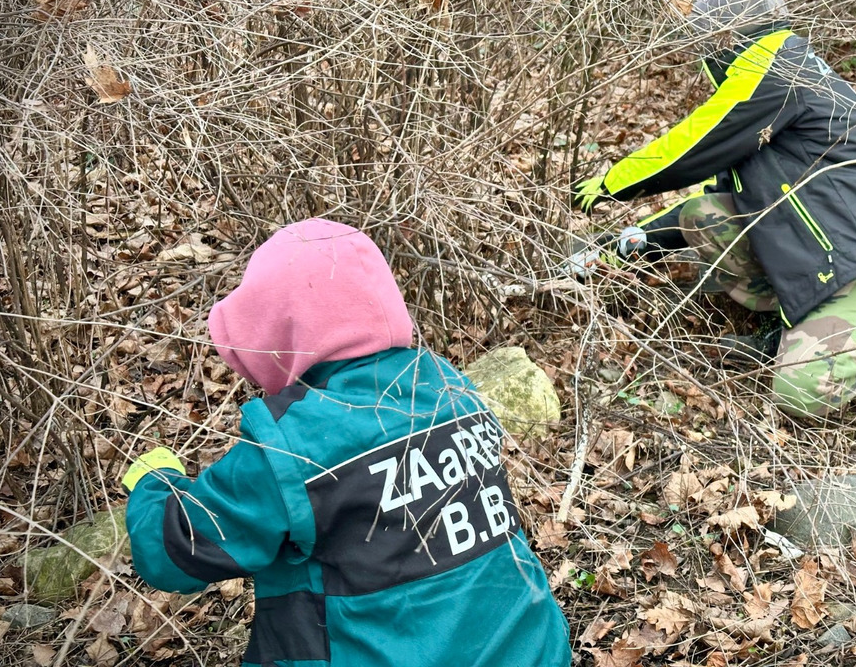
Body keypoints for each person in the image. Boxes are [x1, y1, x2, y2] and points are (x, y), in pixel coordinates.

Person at [121, 218, 571, 667]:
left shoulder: (291, 443)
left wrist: (155, 482)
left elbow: (176, 553)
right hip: (536, 651)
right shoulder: (448, 386)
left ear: (279, 330)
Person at [570, 0, 856, 420]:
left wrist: (616, 182)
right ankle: (789, 324)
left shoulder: (777, 64)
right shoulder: (772, 90)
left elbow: (696, 140)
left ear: (727, 35)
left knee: (800, 393)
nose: (700, 52)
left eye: (707, 39)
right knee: (704, 214)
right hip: (831, 258)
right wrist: (634, 242)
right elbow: (722, 196)